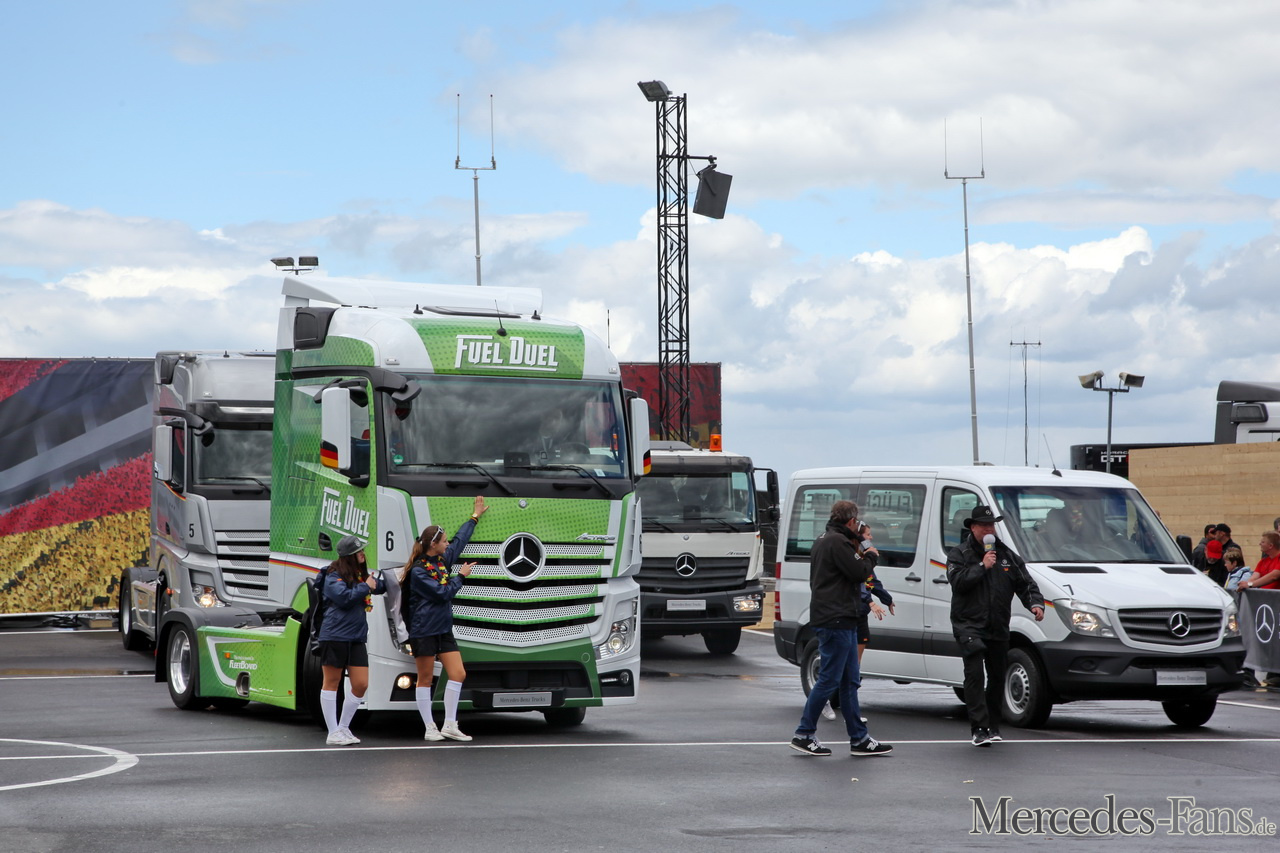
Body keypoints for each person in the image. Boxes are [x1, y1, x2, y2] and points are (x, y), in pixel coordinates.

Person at [788, 499, 893, 758]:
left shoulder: (825, 539)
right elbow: (859, 572)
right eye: (857, 521)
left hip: (838, 617)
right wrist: (871, 556)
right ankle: (804, 733)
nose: (858, 526)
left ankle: (859, 738)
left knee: (849, 681)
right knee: (829, 679)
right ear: (851, 521)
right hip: (836, 618)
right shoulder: (838, 542)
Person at [946, 505, 1045, 747]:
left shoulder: (1006, 555)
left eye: (992, 525)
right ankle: (979, 729)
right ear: (973, 527)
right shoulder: (959, 554)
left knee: (998, 676)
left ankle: (993, 725)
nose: (989, 529)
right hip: (968, 625)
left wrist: (1035, 603)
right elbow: (958, 582)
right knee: (975, 675)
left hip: (998, 625)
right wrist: (982, 566)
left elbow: (1026, 583)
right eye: (984, 525)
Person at [400, 494, 489, 742]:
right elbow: (443, 593)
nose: (448, 544)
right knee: (426, 679)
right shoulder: (419, 571)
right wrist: (461, 576)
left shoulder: (441, 560)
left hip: (443, 629)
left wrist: (474, 517)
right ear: (433, 544)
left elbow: (460, 542)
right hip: (424, 631)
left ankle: (450, 724)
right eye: (444, 541)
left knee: (458, 673)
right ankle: (430, 726)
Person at [316, 534, 385, 746]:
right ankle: (332, 732)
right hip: (334, 635)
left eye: (362, 550)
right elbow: (344, 598)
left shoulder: (359, 575)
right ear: (349, 556)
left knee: (361, 684)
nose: (363, 554)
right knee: (332, 682)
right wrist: (367, 586)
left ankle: (344, 727)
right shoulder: (332, 575)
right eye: (358, 551)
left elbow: (380, 586)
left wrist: (392, 579)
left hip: (356, 636)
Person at [823, 523, 893, 723]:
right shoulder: (850, 558)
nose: (871, 539)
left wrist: (887, 600)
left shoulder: (865, 559)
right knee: (840, 666)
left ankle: (851, 712)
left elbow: (872, 582)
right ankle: (824, 699)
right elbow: (858, 585)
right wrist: (870, 602)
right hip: (846, 616)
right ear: (859, 538)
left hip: (860, 617)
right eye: (868, 535)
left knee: (854, 668)